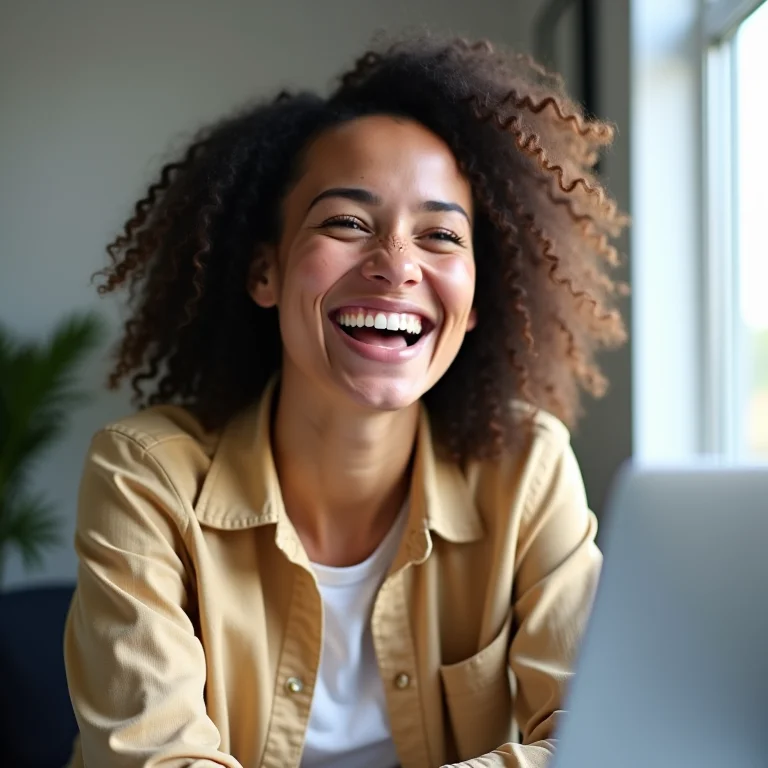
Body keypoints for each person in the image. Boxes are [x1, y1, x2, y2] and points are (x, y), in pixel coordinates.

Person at [63, 31, 627, 768]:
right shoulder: (146, 478)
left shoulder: (526, 469)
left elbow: (597, 742)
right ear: (264, 271)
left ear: (480, 297)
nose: (396, 266)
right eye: (347, 223)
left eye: (440, 236)